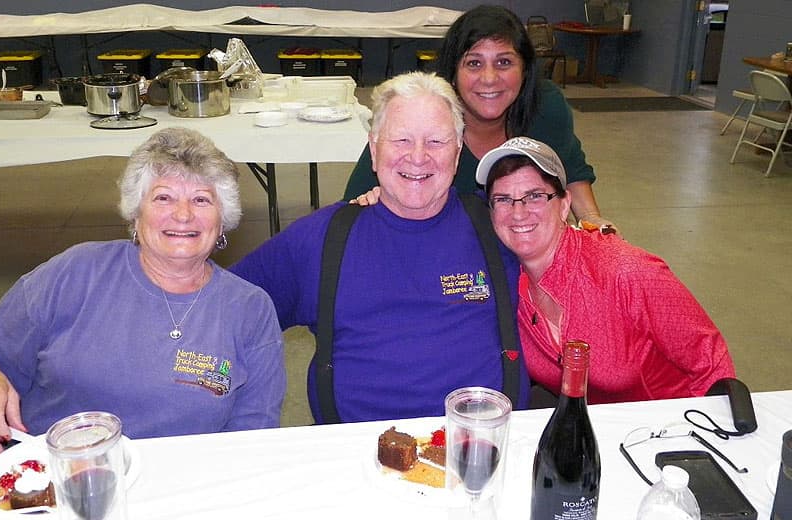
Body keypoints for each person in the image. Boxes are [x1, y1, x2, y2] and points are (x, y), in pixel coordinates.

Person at [230, 71, 530, 424]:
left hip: (483, 449)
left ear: (458, 151)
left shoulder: (502, 228)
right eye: (401, 140)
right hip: (355, 457)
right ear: (374, 150)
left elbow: (580, 274)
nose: (418, 157)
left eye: (436, 142)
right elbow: (216, 312)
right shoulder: (321, 239)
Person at [0, 127, 285, 454]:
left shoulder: (249, 308)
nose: (183, 215)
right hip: (55, 478)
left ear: (223, 218)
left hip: (187, 486)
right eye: (164, 197)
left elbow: (253, 431)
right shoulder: (75, 272)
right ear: (136, 212)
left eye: (201, 199)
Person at [476, 136, 736, 404]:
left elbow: (712, 364)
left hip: (669, 426)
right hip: (592, 426)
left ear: (565, 204)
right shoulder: (501, 282)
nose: (518, 213)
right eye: (503, 199)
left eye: (534, 196)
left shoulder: (627, 271)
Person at [343, 4, 617, 233]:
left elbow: (572, 171)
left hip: (523, 250)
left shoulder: (545, 108)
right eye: (474, 63)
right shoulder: (423, 113)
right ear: (452, 72)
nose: (489, 79)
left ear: (525, 70)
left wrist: (592, 220)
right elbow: (352, 209)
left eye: (504, 63)